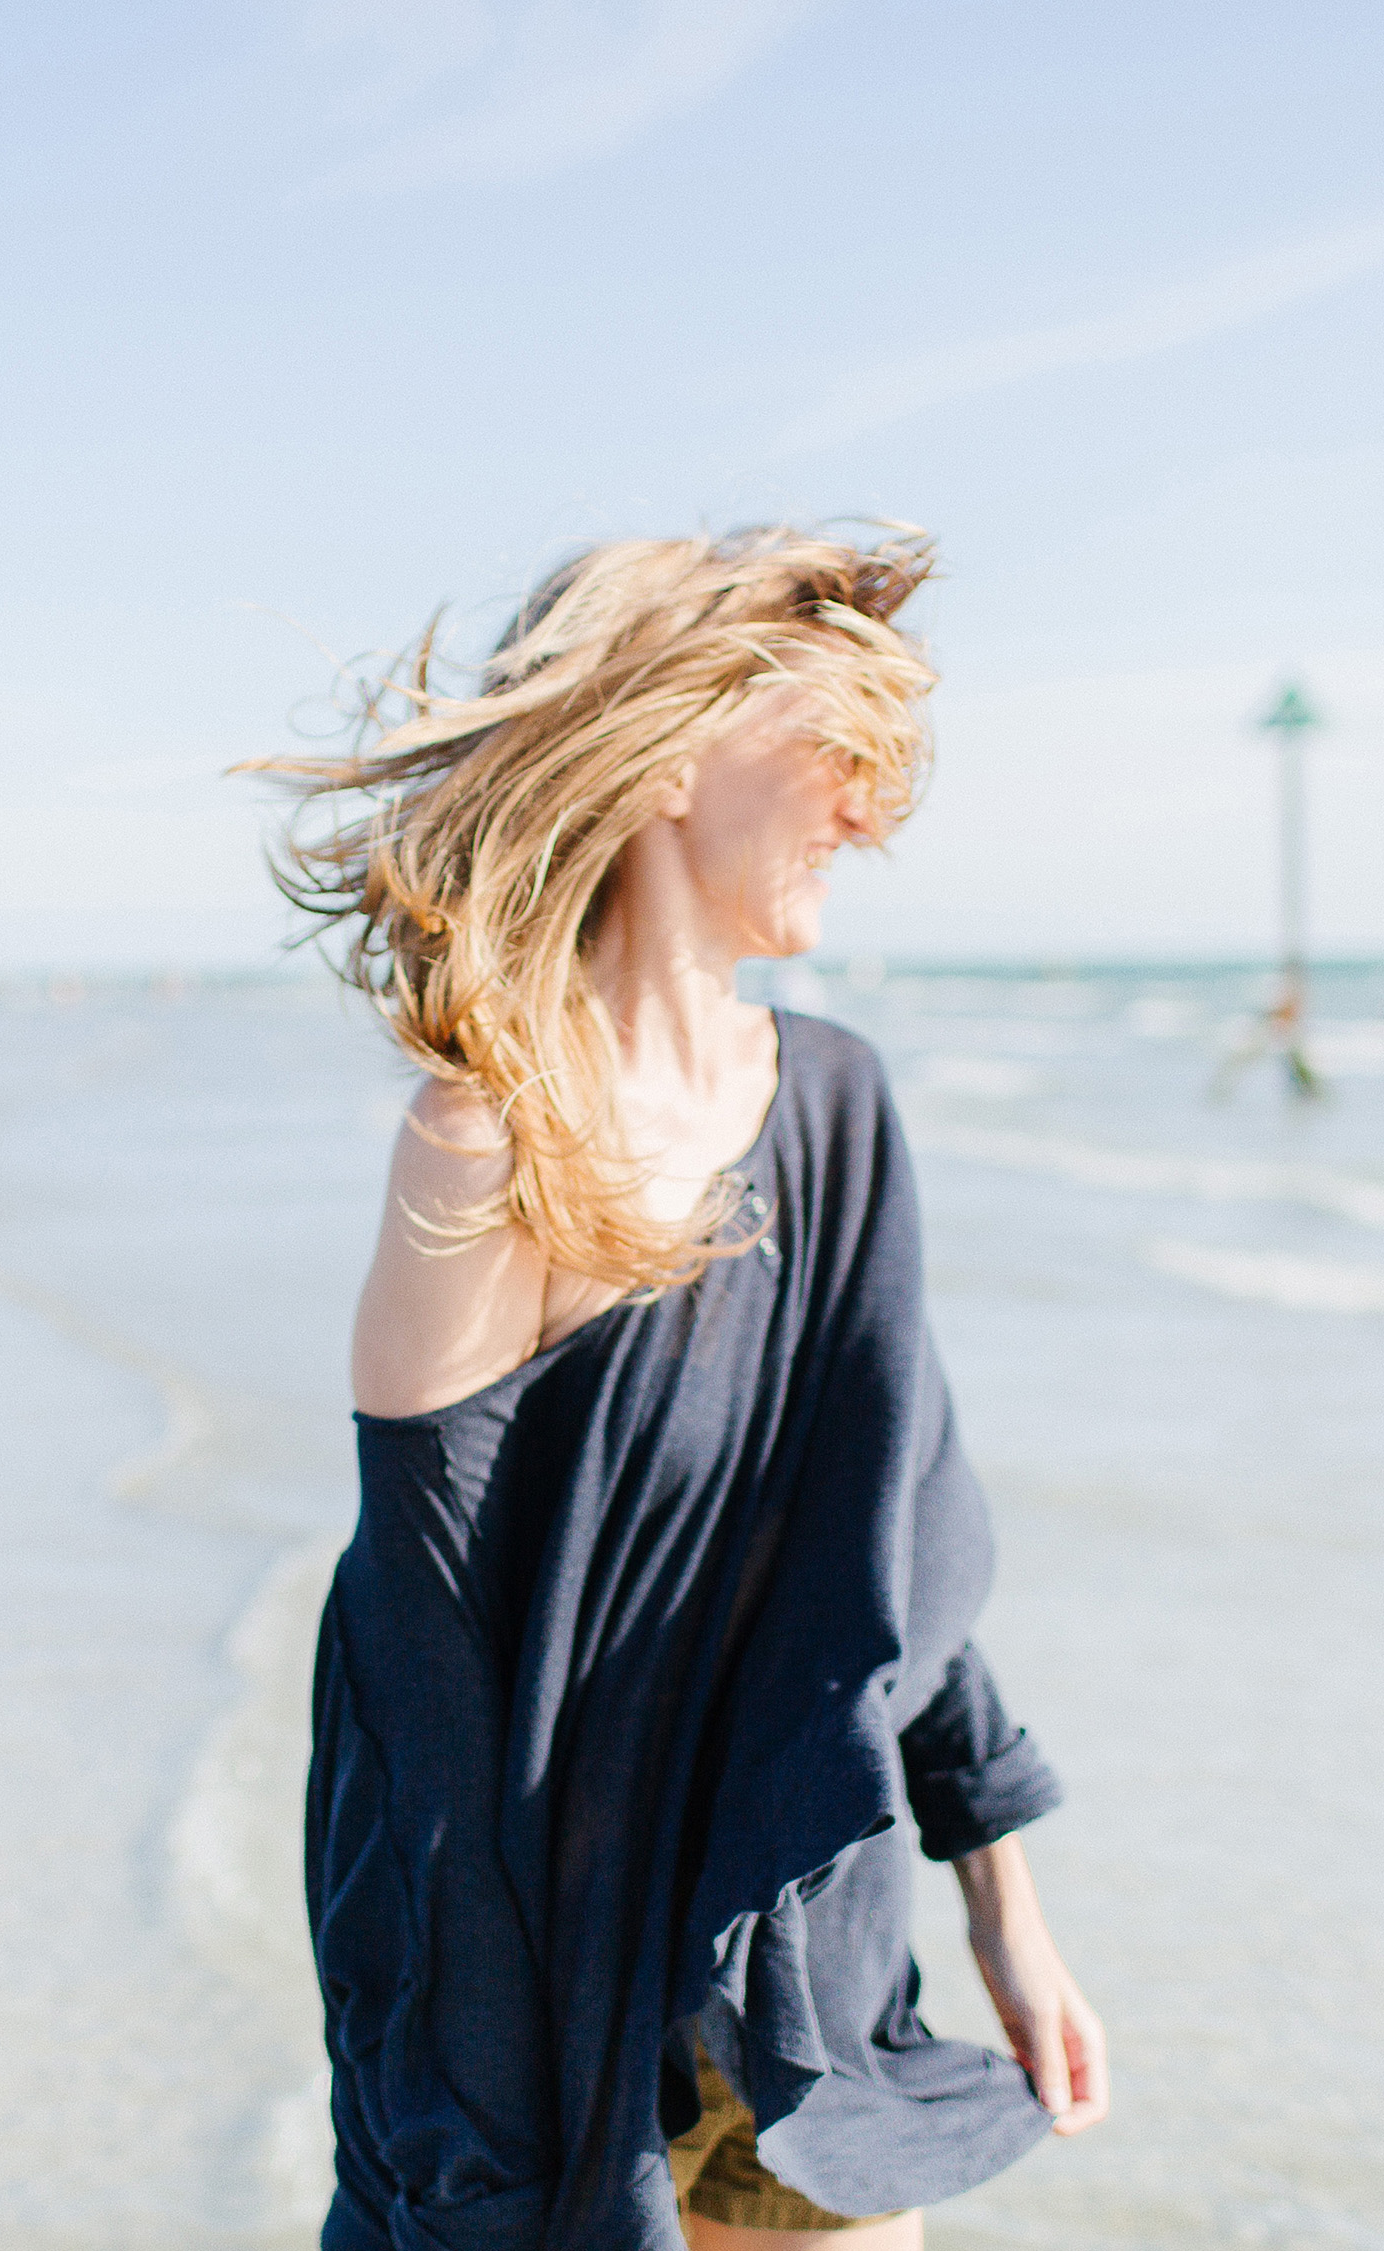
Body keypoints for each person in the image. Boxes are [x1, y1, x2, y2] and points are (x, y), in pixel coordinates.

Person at [271, 527, 1108, 2251]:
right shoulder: (487, 1139)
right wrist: (475, 2137)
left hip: (811, 1975)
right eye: (836, 753)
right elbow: (418, 1677)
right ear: (663, 756)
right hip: (572, 2022)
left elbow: (896, 1563)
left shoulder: (839, 1105)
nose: (867, 816)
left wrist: (1005, 1902)